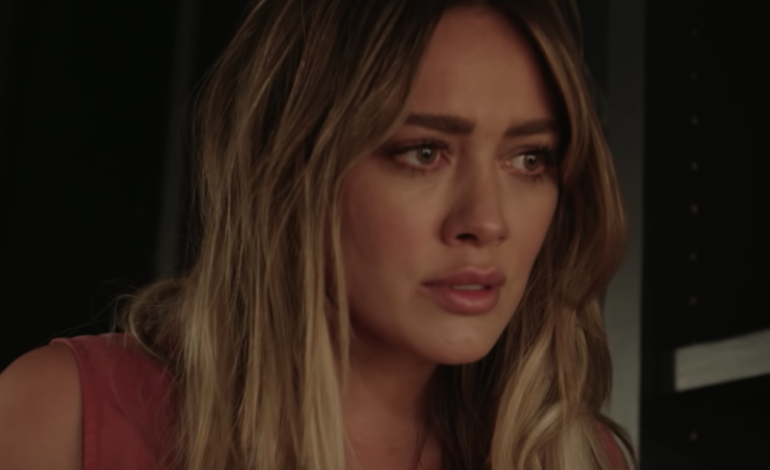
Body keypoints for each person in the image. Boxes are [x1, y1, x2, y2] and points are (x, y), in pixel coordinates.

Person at [0, 0, 636, 469]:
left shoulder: (579, 458)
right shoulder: (60, 421)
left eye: (529, 159)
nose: (487, 221)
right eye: (424, 153)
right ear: (291, 166)